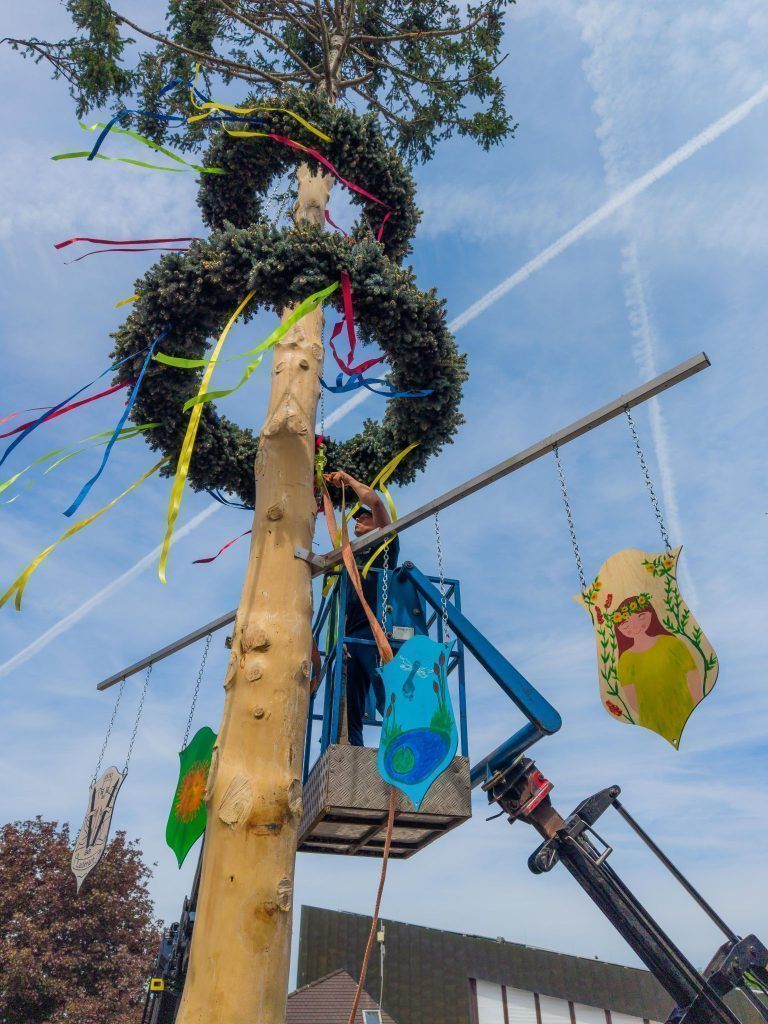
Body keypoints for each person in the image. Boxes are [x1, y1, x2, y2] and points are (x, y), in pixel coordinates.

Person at [323, 469, 400, 747]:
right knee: (351, 702)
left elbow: (376, 502)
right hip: (351, 636)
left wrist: (349, 480)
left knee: (384, 687)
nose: (358, 521)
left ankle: (405, 738)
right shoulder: (351, 557)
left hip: (373, 630)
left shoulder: (384, 542)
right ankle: (353, 749)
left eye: (363, 517)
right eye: (355, 518)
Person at [613, 594, 701, 746]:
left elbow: (693, 678)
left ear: (649, 616)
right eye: (625, 623)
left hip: (686, 711)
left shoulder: (671, 644)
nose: (634, 626)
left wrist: (692, 708)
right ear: (619, 628)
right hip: (652, 720)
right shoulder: (626, 659)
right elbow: (632, 697)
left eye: (640, 617)